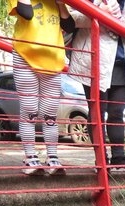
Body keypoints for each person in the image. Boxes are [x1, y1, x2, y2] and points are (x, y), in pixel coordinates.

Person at [68, 0, 125, 174]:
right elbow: (71, 19)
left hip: (122, 64)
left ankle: (119, 157)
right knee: (97, 112)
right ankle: (101, 159)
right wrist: (99, 12)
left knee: (117, 112)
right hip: (95, 62)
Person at [9, 0, 75, 176]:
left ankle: (52, 157)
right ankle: (30, 157)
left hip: (53, 61)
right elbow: (26, 12)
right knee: (30, 109)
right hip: (25, 56)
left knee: (50, 114)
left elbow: (69, 26)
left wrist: (61, 4)